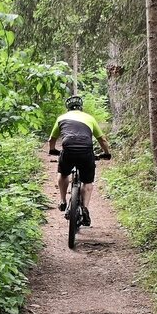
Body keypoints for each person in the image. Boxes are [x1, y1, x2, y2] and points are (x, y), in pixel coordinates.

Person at [47, 95, 112, 226]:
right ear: (81, 107)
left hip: (68, 149)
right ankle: (85, 208)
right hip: (86, 151)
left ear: (68, 108)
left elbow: (52, 139)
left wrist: (52, 149)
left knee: (63, 173)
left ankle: (63, 201)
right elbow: (102, 140)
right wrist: (106, 153)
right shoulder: (89, 118)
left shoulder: (61, 118)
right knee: (88, 181)